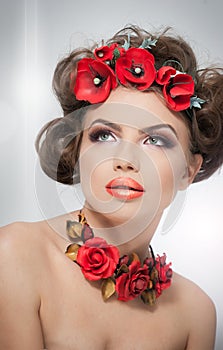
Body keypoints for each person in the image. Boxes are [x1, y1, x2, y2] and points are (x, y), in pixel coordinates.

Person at [0, 25, 222, 350]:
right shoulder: (13, 254)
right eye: (105, 135)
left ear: (188, 172)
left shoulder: (195, 314)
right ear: (78, 150)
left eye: (155, 140)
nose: (126, 159)